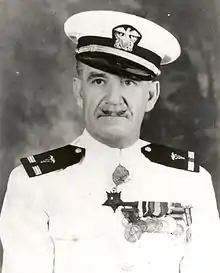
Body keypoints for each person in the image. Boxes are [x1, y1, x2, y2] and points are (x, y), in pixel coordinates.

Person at [0, 10, 219, 273]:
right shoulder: (32, 185)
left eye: (129, 82)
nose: (113, 99)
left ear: (151, 95)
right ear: (79, 90)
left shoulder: (191, 183)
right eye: (99, 80)